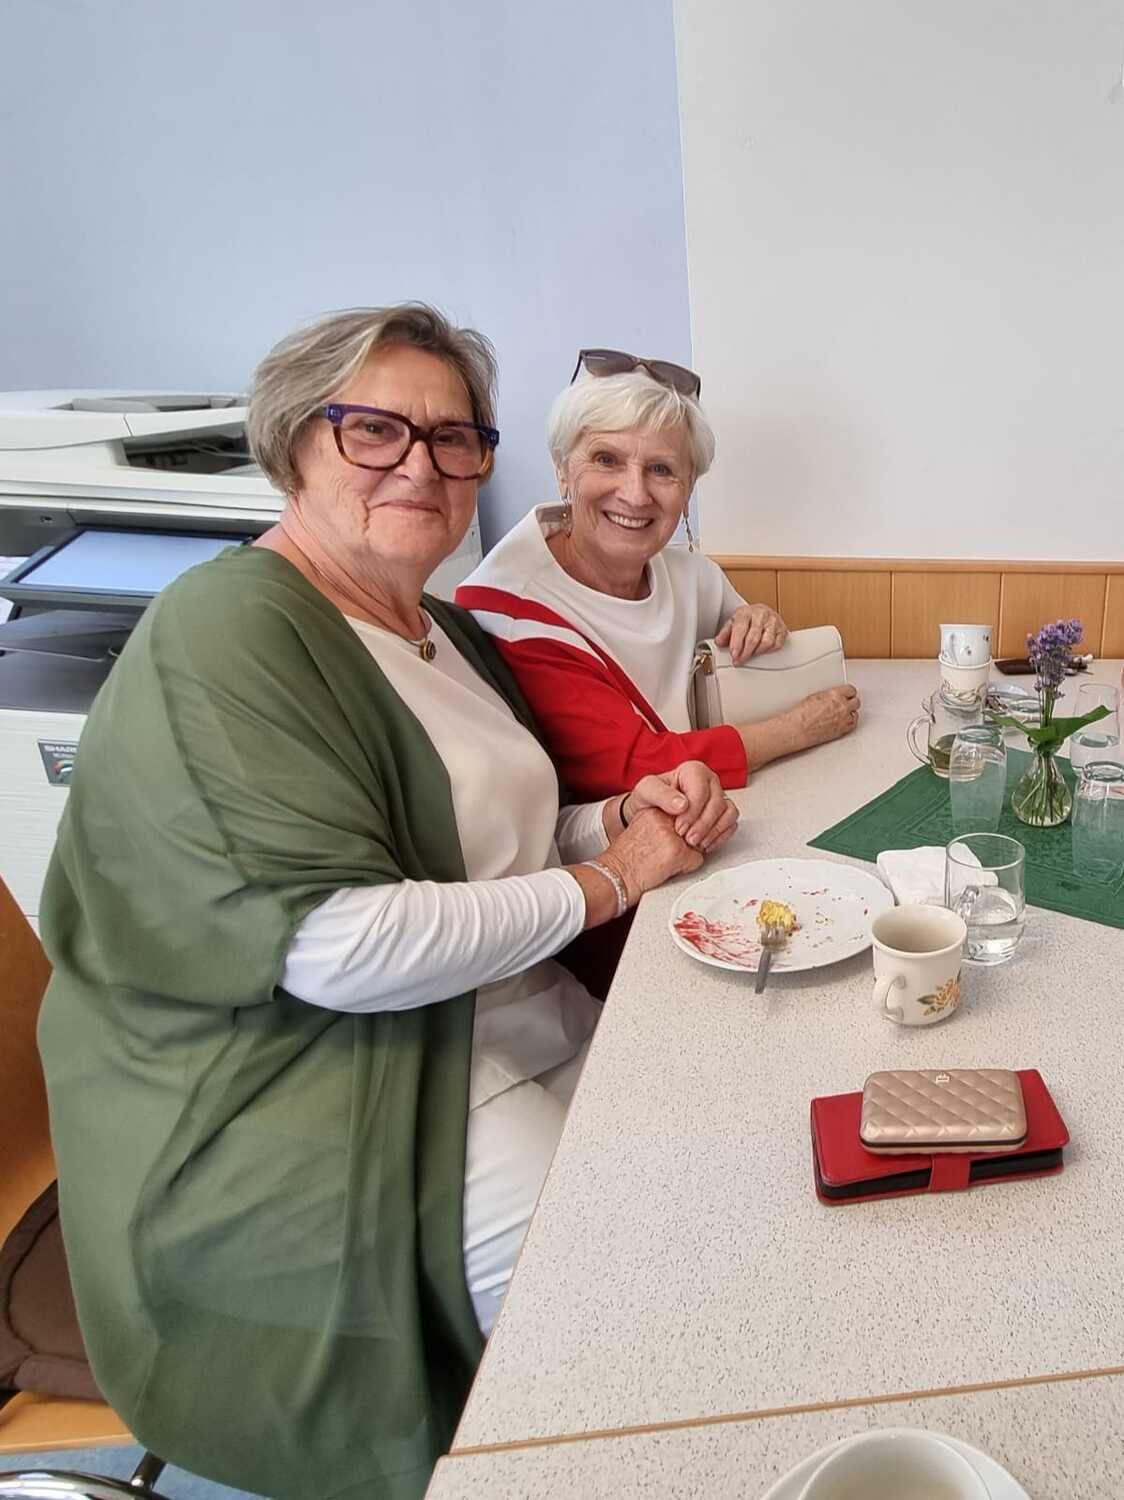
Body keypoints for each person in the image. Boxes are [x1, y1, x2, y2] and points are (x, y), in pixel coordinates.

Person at [36, 307, 738, 1500]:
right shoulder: (228, 629)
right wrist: (613, 877)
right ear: (291, 443)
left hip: (488, 1022)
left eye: (452, 437)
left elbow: (492, 843)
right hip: (318, 1091)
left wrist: (618, 817)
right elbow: (338, 947)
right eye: (373, 430)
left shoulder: (441, 630)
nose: (420, 464)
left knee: (715, 1166)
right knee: (634, 1306)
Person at [457, 348, 860, 799]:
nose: (635, 494)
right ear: (562, 470)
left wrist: (760, 621)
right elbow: (632, 764)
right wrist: (798, 728)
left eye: (661, 469)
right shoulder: (509, 608)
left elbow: (748, 651)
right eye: (606, 459)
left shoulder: (695, 575)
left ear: (688, 492)